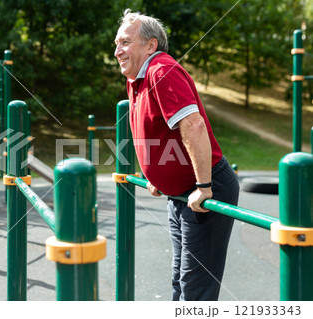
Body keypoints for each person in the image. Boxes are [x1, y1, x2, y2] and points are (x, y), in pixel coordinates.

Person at [114, 9, 239, 301]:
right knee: (180, 281)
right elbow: (154, 131)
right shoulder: (137, 79)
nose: (118, 51)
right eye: (116, 44)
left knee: (195, 289)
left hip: (205, 188)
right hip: (180, 193)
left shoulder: (162, 71)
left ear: (150, 45)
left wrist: (204, 187)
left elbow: (193, 125)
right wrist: (155, 174)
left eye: (125, 43)